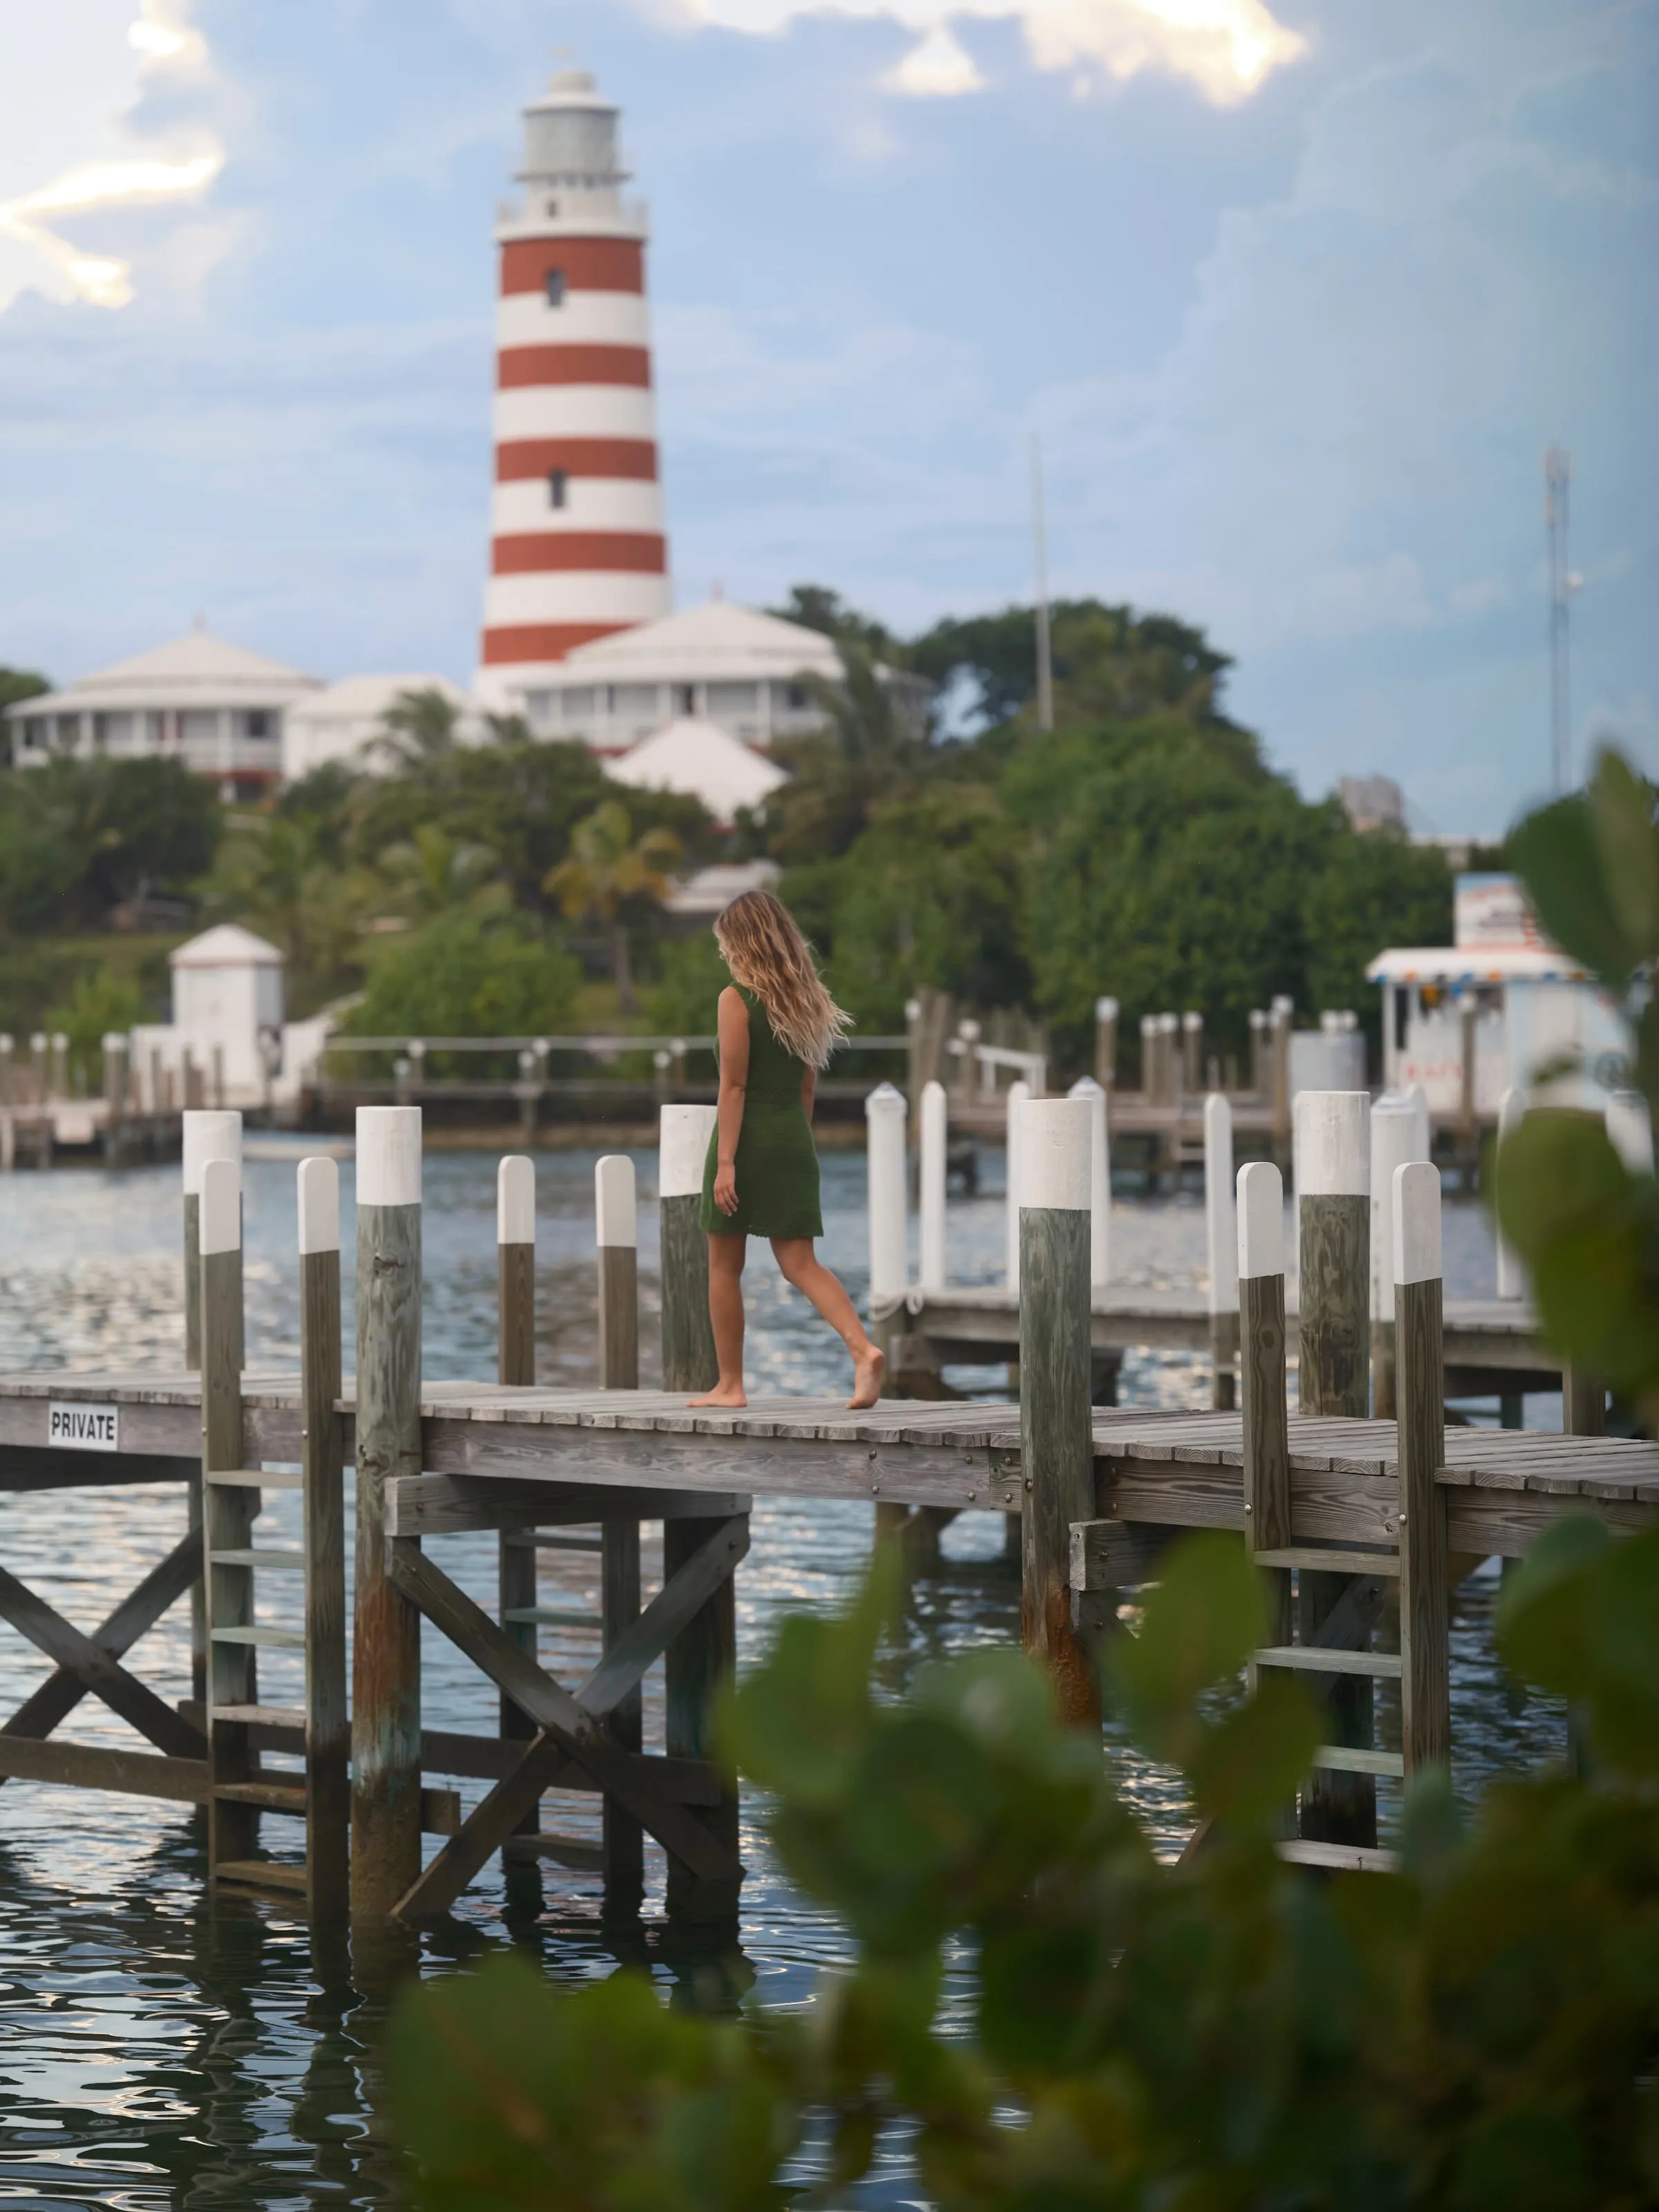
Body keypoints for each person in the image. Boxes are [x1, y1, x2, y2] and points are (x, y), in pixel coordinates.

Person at [691, 888, 885, 1410]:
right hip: (794, 1139)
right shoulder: (805, 1002)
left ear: (741, 943)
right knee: (801, 1263)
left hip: (747, 1140)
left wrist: (727, 1162)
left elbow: (733, 1088)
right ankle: (863, 1350)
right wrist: (796, 1149)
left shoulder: (736, 1000)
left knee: (722, 1266)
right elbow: (805, 1091)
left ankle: (730, 1385)